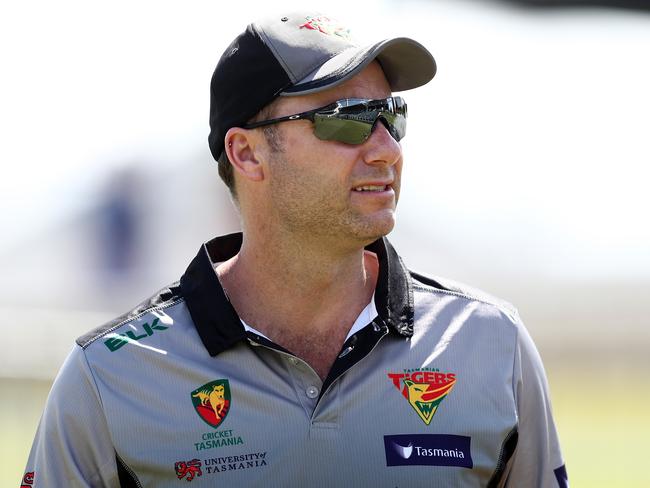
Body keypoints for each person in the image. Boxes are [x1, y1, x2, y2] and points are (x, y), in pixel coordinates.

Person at [22, 11, 568, 487]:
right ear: (248, 154)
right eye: (348, 118)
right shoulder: (110, 375)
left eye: (391, 115)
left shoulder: (493, 344)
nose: (386, 148)